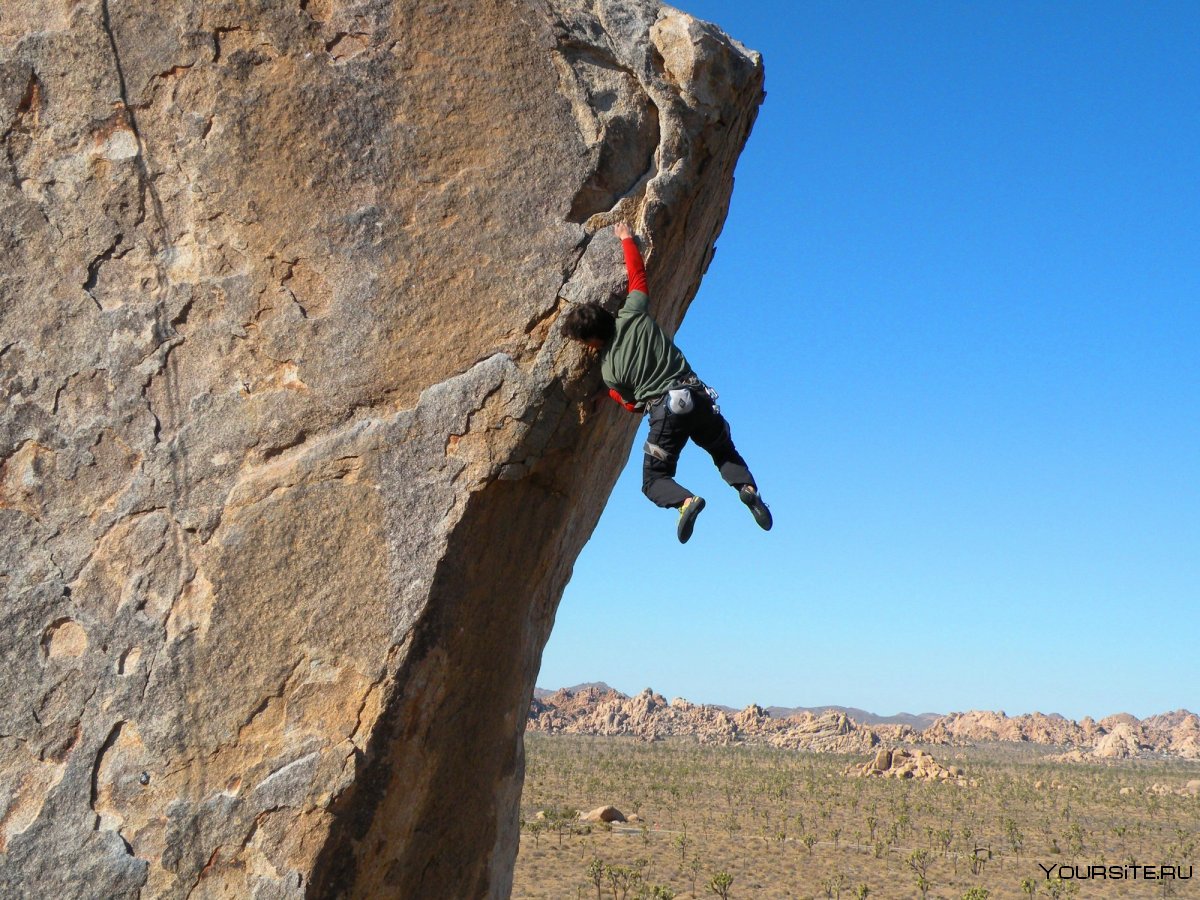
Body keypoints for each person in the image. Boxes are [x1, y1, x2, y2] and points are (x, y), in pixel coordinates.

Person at [561, 222, 772, 543]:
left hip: (667, 410)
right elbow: (638, 278)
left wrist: (610, 396)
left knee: (654, 479)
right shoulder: (632, 314)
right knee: (723, 450)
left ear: (591, 339)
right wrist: (626, 239)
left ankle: (686, 501)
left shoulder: (609, 370)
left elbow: (632, 405)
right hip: (698, 396)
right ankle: (746, 488)